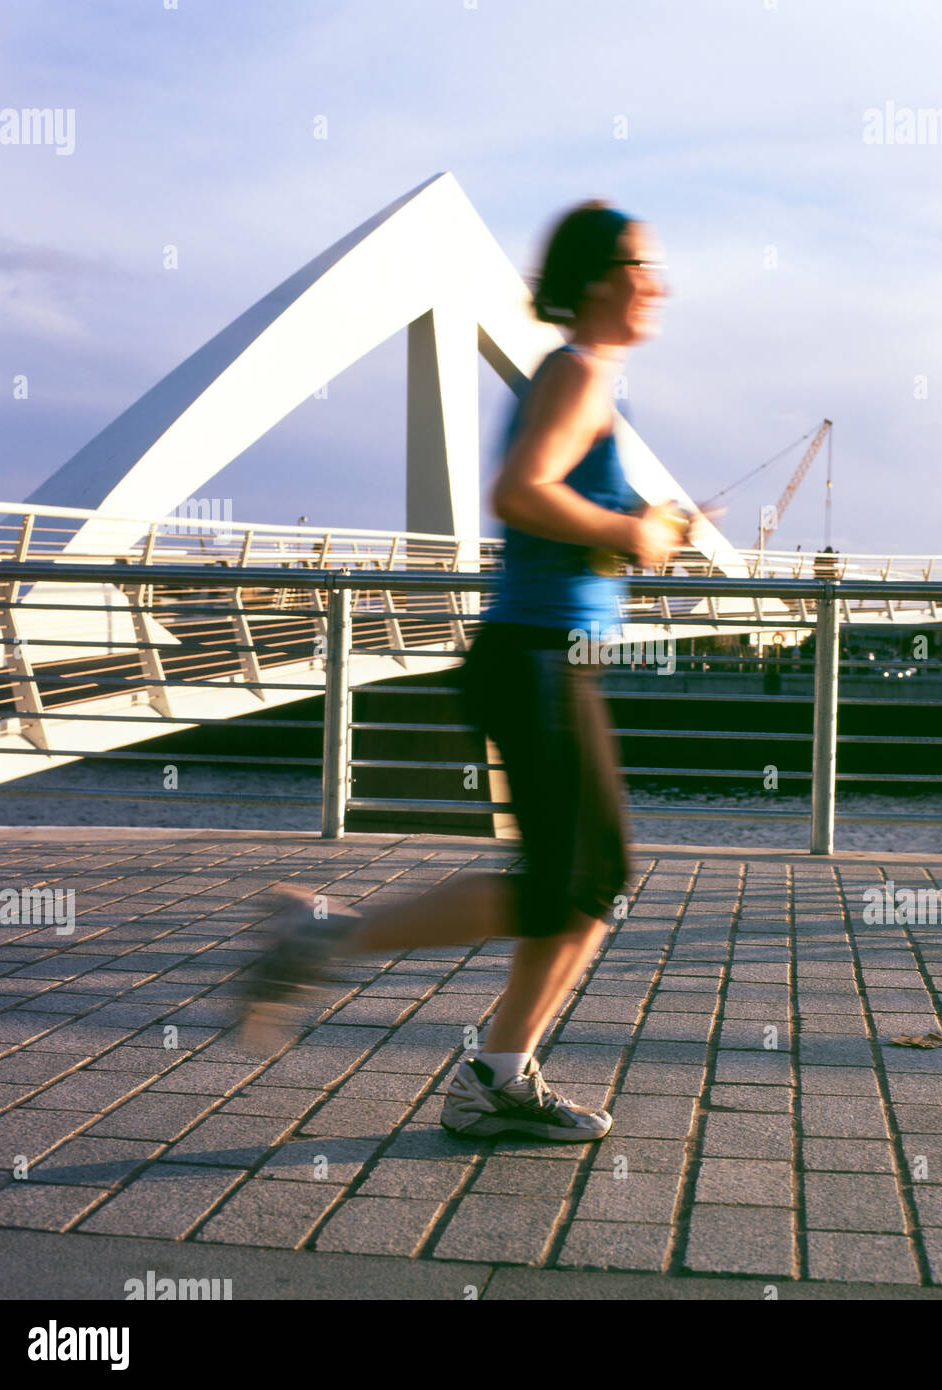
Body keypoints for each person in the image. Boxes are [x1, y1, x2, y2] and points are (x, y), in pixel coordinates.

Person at [237, 200, 684, 1143]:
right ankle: (323, 937)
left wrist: (637, 529)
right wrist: (630, 531)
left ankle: (499, 1073)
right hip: (535, 659)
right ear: (600, 278)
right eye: (643, 266)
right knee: (563, 886)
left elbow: (556, 508)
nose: (658, 284)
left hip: (553, 657)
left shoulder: (583, 379)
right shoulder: (575, 374)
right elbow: (521, 491)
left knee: (596, 883)